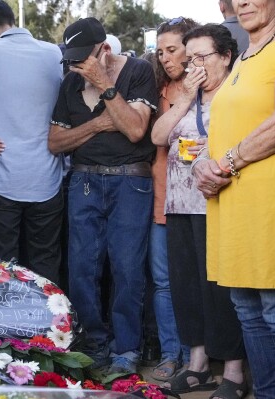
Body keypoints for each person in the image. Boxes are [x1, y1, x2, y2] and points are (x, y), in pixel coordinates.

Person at [49, 17, 158, 374]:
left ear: (105, 50)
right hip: (84, 181)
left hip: (130, 181)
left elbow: (134, 129)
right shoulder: (69, 84)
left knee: (127, 268)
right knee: (82, 267)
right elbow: (54, 143)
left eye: (84, 58)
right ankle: (94, 343)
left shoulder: (138, 71)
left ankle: (127, 347)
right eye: (72, 59)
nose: (77, 65)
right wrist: (97, 124)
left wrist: (104, 85)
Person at [152, 24, 247, 398]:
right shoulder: (187, 97)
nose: (195, 66)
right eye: (189, 60)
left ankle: (235, 373)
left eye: (202, 58)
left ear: (225, 57)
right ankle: (198, 366)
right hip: (179, 203)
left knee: (222, 289)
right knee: (186, 285)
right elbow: (159, 137)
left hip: (222, 204)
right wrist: (184, 97)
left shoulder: (237, 96)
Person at [193, 0, 275, 396]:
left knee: (273, 313)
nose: (243, 2)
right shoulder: (244, 57)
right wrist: (202, 168)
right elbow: (225, 130)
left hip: (268, 208)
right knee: (248, 312)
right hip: (233, 210)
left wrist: (226, 162)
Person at [0, 0, 63, 283]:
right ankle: (50, 325)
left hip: (1, 171)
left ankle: (5, 326)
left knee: (1, 265)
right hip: (47, 174)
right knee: (45, 263)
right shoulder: (52, 52)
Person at [147, 16, 200, 381]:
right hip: (163, 198)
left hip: (202, 200)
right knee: (164, 281)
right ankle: (171, 353)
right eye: (160, 51)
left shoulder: (213, 85)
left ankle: (205, 354)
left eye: (172, 49)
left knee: (203, 280)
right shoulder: (159, 88)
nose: (165, 57)